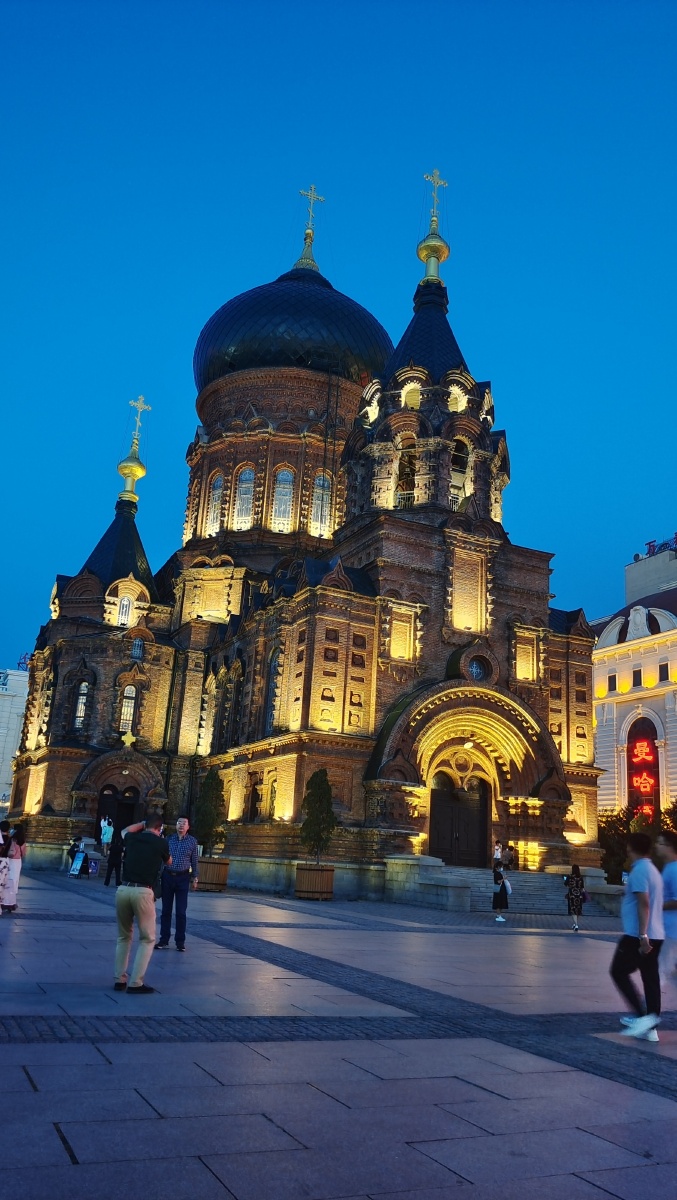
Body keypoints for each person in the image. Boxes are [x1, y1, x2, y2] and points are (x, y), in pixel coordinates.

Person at [610, 831, 664, 1041]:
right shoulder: (653, 870)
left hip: (638, 935)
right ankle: (651, 1028)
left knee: (618, 971)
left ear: (630, 848)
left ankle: (644, 1018)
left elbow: (644, 903)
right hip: (656, 933)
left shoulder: (640, 870)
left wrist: (642, 935)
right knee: (650, 977)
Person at [114, 814, 171, 994]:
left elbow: (124, 830)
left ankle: (119, 979)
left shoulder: (132, 838)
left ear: (145, 826)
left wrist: (141, 824)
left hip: (123, 889)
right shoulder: (161, 842)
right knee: (147, 938)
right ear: (159, 828)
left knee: (123, 937)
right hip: (143, 892)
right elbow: (169, 861)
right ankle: (136, 982)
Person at [156, 816, 199, 952]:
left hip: (183, 878)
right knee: (166, 911)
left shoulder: (192, 842)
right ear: (176, 825)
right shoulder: (168, 839)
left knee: (181, 911)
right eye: (179, 822)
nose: (181, 825)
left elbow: (194, 861)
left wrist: (195, 878)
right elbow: (161, 858)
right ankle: (164, 939)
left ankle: (180, 941)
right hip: (168, 876)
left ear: (188, 827)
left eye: (184, 823)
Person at [656, 831, 677, 987]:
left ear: (669, 846)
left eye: (660, 843)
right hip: (667, 930)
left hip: (671, 931)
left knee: (660, 971)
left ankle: (650, 1002)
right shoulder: (668, 868)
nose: (656, 846)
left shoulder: (674, 869)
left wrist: (656, 906)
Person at [2, 822, 26, 912]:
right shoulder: (23, 841)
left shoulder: (11, 839)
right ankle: (12, 900)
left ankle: (5, 900)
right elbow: (23, 854)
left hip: (9, 860)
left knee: (7, 879)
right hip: (17, 861)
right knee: (14, 880)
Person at [564, 864, 586, 931]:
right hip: (579, 895)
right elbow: (582, 887)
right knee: (578, 909)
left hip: (572, 895)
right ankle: (575, 923)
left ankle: (576, 925)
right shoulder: (581, 878)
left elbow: (565, 884)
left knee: (573, 909)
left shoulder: (570, 876)